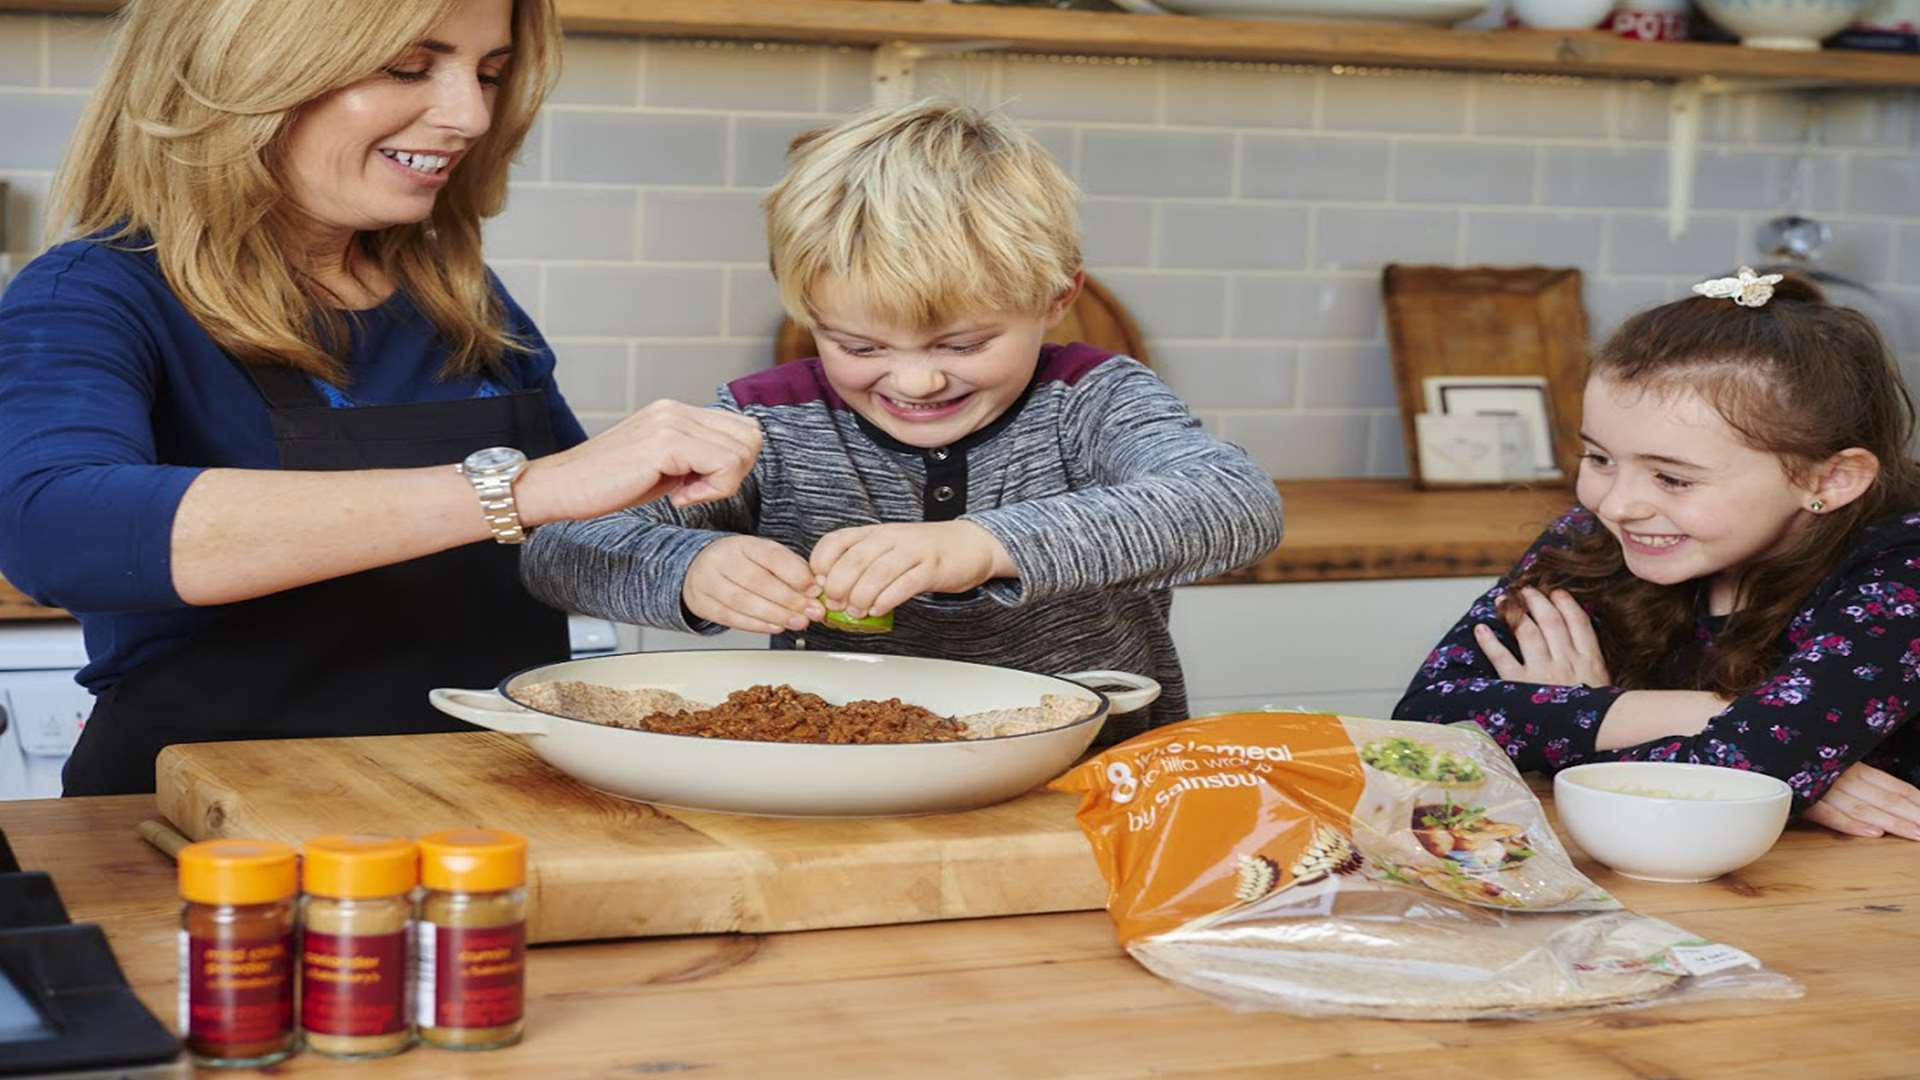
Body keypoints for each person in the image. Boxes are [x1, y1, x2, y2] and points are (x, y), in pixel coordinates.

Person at [0, 0, 761, 796]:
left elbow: (566, 542)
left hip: (486, 802)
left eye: (490, 74)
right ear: (246, 69)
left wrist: (697, 565)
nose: (468, 115)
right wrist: (521, 489)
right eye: (407, 67)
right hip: (213, 825)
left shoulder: (458, 298)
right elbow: (55, 526)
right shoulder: (97, 290)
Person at [520, 100, 1286, 739]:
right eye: (859, 345)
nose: (916, 378)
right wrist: (692, 571)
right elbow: (559, 551)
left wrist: (980, 545)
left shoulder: (1092, 400)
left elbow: (1234, 504)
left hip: (1093, 782)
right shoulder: (772, 422)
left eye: (964, 343)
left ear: (1055, 300)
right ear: (807, 311)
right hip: (842, 778)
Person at [1395, 269, 1920, 842]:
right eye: (1598, 459)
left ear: (1831, 478)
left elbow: (1740, 773)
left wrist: (1576, 718)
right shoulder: (1606, 531)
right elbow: (1425, 718)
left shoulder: (1904, 570)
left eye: (1672, 478)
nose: (1617, 504)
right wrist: (1712, 718)